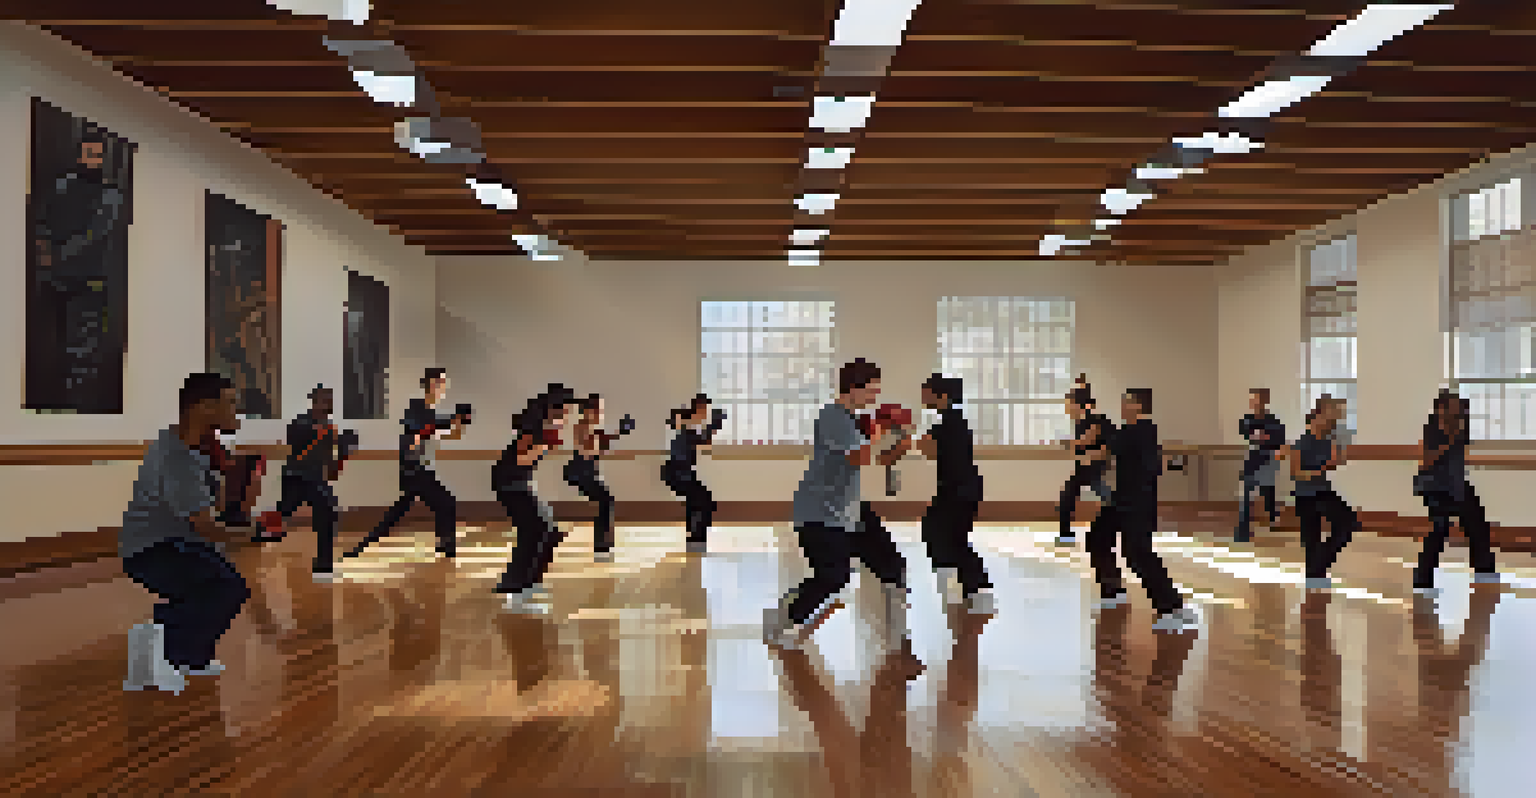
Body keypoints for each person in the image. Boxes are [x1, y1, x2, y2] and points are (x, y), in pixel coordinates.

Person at [764, 358, 915, 651]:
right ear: (852, 389)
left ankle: (899, 635)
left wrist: (901, 441)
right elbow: (858, 457)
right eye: (870, 391)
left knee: (892, 564)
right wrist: (881, 429)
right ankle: (783, 619)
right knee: (833, 576)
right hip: (821, 512)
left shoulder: (853, 419)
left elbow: (878, 459)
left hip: (851, 509)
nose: (874, 398)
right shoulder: (834, 416)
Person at [120, 373, 253, 694]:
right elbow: (204, 524)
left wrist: (225, 471)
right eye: (230, 403)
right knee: (226, 588)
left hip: (178, 543)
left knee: (220, 586)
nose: (237, 411)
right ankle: (158, 651)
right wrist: (252, 534)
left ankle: (190, 656)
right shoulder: (177, 457)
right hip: (153, 549)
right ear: (205, 407)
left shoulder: (191, 447)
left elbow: (214, 506)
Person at [1086, 388, 1196, 632]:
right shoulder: (1138, 431)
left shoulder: (1137, 431)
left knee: (1137, 553)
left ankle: (1174, 609)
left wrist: (1085, 448)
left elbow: (1103, 450)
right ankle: (1112, 590)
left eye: (1126, 403)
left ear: (1138, 405)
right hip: (1122, 500)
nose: (1122, 407)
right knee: (1098, 538)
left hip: (1136, 503)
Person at [341, 367, 467, 563]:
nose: (442, 387)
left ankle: (362, 546)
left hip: (420, 469)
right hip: (414, 470)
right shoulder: (416, 407)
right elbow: (419, 430)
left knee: (402, 512)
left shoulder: (432, 413)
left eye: (443, 383)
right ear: (428, 385)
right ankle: (447, 548)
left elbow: (450, 434)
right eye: (438, 383)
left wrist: (459, 423)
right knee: (445, 503)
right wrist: (448, 421)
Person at [912, 374, 994, 614]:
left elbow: (928, 450)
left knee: (950, 537)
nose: (923, 398)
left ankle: (979, 588)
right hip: (955, 489)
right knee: (936, 530)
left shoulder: (951, 422)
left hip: (960, 491)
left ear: (942, 396)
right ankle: (961, 582)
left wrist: (906, 435)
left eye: (927, 393)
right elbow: (934, 451)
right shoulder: (950, 421)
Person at [495, 384, 578, 612]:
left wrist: (547, 443)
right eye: (567, 409)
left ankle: (528, 582)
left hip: (519, 481)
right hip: (509, 482)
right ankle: (517, 585)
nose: (569, 415)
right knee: (539, 529)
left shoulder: (546, 427)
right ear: (554, 408)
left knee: (548, 531)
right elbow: (522, 458)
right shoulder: (534, 426)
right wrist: (545, 445)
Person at [1413, 390, 1498, 593]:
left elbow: (1463, 446)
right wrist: (1448, 441)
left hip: (1456, 484)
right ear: (1442, 409)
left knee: (1477, 523)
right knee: (1439, 530)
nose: (1459, 410)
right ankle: (1422, 579)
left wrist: (1462, 422)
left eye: (1460, 408)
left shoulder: (1460, 426)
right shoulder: (1433, 428)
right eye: (1454, 407)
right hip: (1435, 486)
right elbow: (1425, 461)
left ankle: (1484, 570)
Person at [269, 385, 356, 581]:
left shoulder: (330, 427)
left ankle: (324, 566)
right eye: (325, 401)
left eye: (330, 401)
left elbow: (332, 466)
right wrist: (323, 433)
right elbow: (295, 438)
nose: (328, 406)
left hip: (316, 479)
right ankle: (257, 533)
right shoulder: (300, 422)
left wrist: (345, 448)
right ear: (314, 402)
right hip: (296, 477)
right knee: (284, 511)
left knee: (328, 511)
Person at [1282, 396, 1357, 589]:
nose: (1331, 423)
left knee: (1347, 522)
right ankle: (1314, 585)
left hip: (1323, 491)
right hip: (1305, 496)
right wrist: (1320, 469)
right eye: (1328, 418)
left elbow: (1337, 460)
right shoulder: (1301, 443)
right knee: (1311, 539)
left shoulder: (1329, 440)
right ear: (1316, 418)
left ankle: (1319, 566)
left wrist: (1332, 459)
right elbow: (1296, 473)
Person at [564, 394, 633, 563]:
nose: (599, 413)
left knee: (606, 501)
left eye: (600, 410)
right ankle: (602, 547)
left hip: (587, 471)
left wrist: (617, 433)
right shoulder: (581, 426)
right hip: (579, 472)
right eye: (597, 410)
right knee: (606, 500)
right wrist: (611, 436)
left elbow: (598, 449)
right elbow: (587, 449)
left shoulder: (593, 429)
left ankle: (604, 546)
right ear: (587, 411)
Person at [663, 394, 724, 554]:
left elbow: (704, 441)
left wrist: (713, 427)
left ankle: (694, 538)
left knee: (699, 500)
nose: (706, 414)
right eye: (705, 410)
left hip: (685, 472)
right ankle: (696, 539)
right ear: (699, 409)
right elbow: (674, 423)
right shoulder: (685, 422)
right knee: (703, 499)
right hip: (675, 472)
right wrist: (710, 427)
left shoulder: (695, 426)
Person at [1059, 382, 1113, 546]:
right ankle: (1066, 537)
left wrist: (1068, 443)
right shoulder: (1080, 422)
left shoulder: (1095, 419)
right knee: (1067, 497)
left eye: (1069, 406)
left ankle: (1113, 532)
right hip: (1086, 469)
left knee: (1110, 499)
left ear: (1078, 405)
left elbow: (1085, 441)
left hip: (1101, 469)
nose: (1067, 410)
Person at [1233, 388, 1285, 543]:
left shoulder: (1273, 421)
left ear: (1265, 400)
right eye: (1252, 399)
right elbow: (1245, 432)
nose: (1255, 403)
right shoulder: (1247, 419)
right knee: (1246, 495)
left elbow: (1278, 438)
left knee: (1267, 490)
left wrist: (1265, 437)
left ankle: (1271, 517)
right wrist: (1259, 436)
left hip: (1268, 461)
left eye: (1258, 399)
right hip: (1252, 461)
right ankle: (1243, 531)